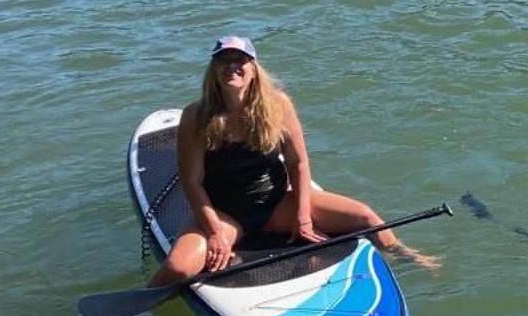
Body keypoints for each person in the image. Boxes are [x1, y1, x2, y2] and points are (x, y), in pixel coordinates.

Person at [147, 35, 438, 285]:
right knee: (178, 267)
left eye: (240, 59)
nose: (232, 66)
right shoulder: (196, 116)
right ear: (214, 70)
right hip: (226, 214)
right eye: (224, 60)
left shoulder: (278, 105)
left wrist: (302, 217)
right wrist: (215, 233)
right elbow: (192, 181)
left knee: (366, 217)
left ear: (253, 69)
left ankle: (406, 257)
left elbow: (298, 163)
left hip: (275, 206)